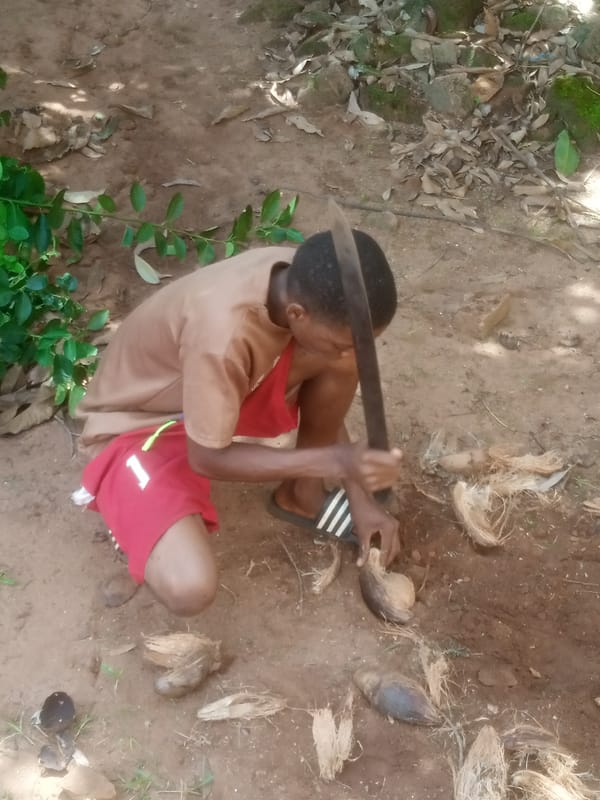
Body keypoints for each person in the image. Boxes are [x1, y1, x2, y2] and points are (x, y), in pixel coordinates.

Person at [73, 229, 403, 618]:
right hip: (137, 425)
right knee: (190, 587)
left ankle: (303, 496)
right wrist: (336, 461)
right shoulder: (222, 336)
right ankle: (128, 510)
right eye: (340, 339)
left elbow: (335, 349)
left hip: (207, 391)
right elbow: (209, 460)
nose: (355, 353)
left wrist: (358, 495)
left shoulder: (304, 277)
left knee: (340, 361)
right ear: (297, 314)